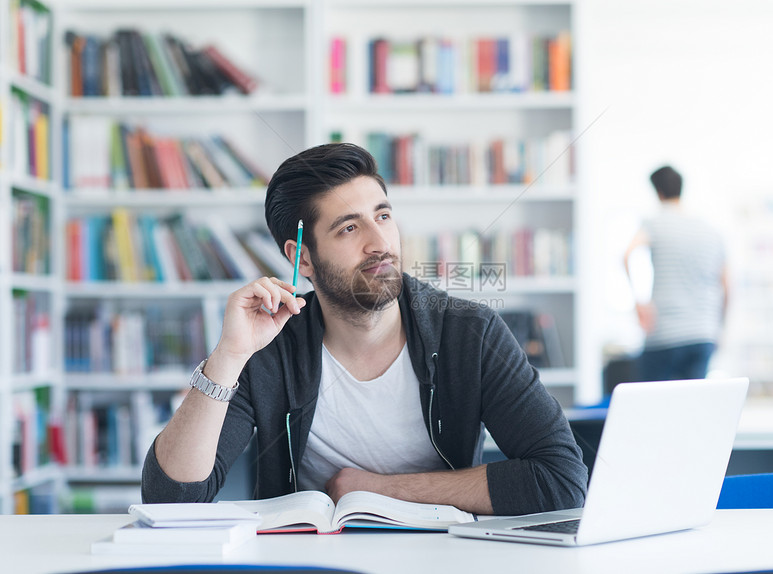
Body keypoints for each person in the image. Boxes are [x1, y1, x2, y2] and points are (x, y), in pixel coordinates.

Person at [142, 142, 588, 516]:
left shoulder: (470, 334)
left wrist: (376, 489)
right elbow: (172, 499)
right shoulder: (271, 346)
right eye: (349, 227)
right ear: (304, 258)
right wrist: (229, 356)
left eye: (383, 216)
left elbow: (561, 480)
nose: (379, 243)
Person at [623, 165, 728, 382]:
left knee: (654, 407)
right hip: (702, 333)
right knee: (693, 407)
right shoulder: (711, 230)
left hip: (664, 335)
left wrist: (639, 303)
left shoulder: (654, 224)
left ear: (658, 192)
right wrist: (719, 327)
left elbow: (626, 256)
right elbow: (727, 286)